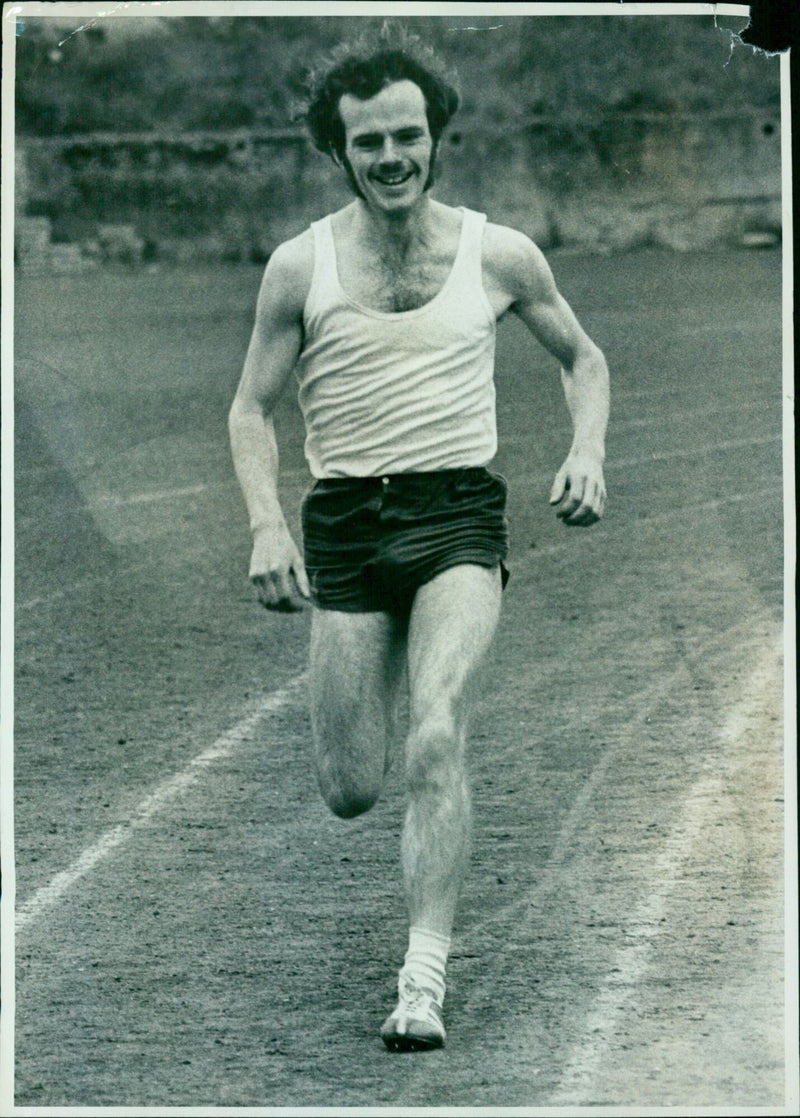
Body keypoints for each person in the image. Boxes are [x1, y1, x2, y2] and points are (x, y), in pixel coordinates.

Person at [228, 27, 609, 1052]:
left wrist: (585, 451)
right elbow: (250, 410)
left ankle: (421, 977)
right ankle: (393, 780)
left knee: (436, 727)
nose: (390, 157)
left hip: (454, 518)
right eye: (368, 143)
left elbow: (582, 358)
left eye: (406, 135)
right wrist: (267, 521)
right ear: (338, 151)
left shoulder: (495, 251)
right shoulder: (296, 266)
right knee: (351, 784)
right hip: (347, 525)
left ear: (436, 137)